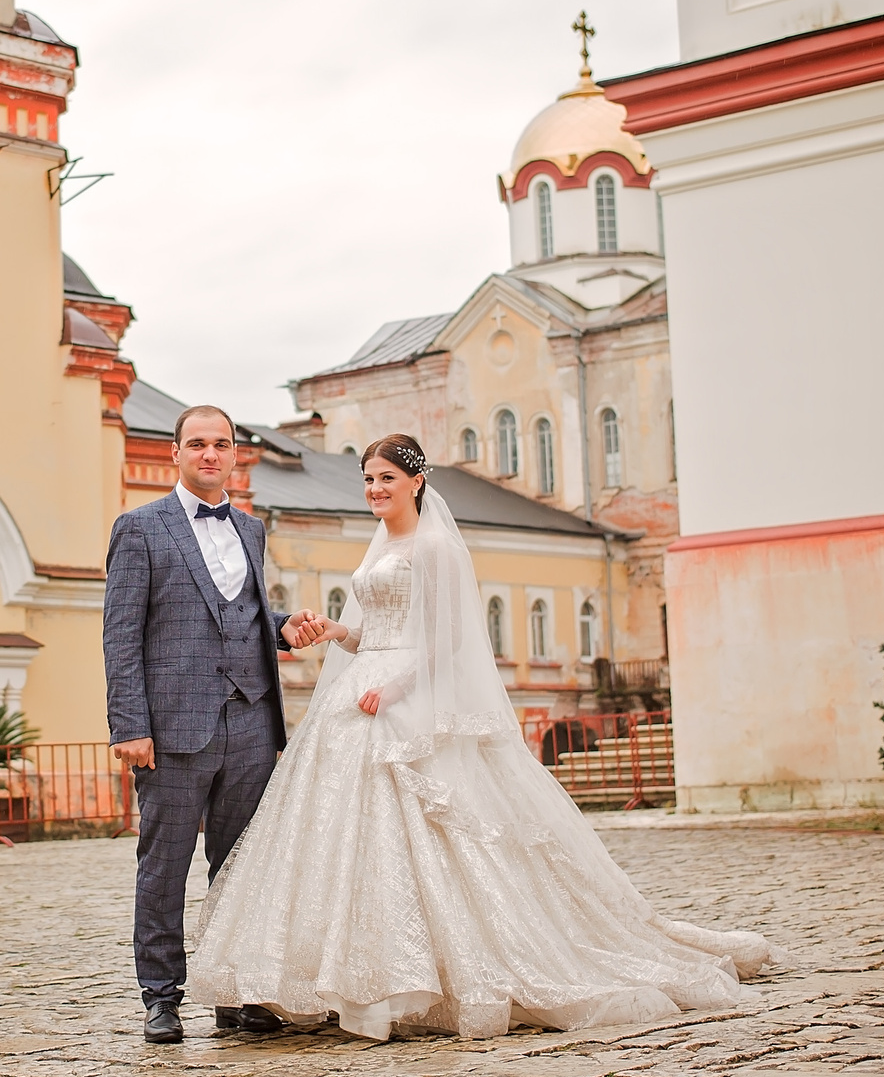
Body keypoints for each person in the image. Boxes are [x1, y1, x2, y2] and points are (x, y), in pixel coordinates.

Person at [192, 433, 773, 1039]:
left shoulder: (438, 546)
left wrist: (396, 689)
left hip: (408, 696)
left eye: (386, 478)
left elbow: (449, 641)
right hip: (360, 690)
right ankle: (345, 970)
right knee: (335, 832)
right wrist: (337, 629)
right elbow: (373, 632)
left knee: (440, 829)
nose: (374, 490)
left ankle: (438, 968)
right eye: (368, 480)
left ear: (416, 481)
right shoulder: (381, 544)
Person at [102, 405, 327, 1044]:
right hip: (172, 727)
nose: (210, 454)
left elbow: (247, 605)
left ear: (235, 456)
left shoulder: (251, 530)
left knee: (240, 865)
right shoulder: (140, 529)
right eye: (197, 444)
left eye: (221, 445)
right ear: (176, 452)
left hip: (252, 719)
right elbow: (121, 633)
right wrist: (129, 724)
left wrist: (282, 626)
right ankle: (161, 996)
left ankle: (234, 992)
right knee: (165, 863)